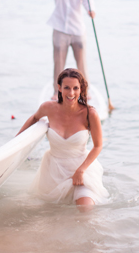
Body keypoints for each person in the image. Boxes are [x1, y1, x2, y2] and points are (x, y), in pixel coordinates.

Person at [17, 68, 109, 207]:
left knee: (86, 210)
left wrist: (81, 170)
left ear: (81, 89)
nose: (71, 93)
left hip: (81, 169)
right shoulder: (48, 108)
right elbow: (35, 118)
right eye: (67, 88)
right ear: (59, 88)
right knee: (50, 214)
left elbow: (98, 146)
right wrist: (16, 141)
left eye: (75, 88)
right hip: (54, 170)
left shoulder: (90, 113)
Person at [47, 0, 95, 100]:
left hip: (78, 29)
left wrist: (90, 9)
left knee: (82, 63)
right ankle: (57, 92)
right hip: (60, 29)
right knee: (59, 62)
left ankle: (84, 92)